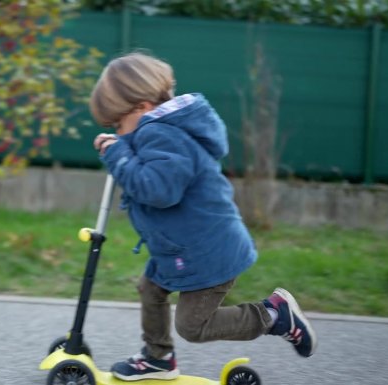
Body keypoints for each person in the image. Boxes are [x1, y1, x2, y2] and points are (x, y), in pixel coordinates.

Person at [89, 52, 317, 382]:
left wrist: (117, 154)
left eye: (117, 124)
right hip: (181, 248)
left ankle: (274, 315)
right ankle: (158, 357)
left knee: (193, 325)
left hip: (206, 253)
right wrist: (122, 151)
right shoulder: (159, 133)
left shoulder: (163, 135)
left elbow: (158, 190)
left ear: (142, 106)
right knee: (150, 289)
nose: (118, 133)